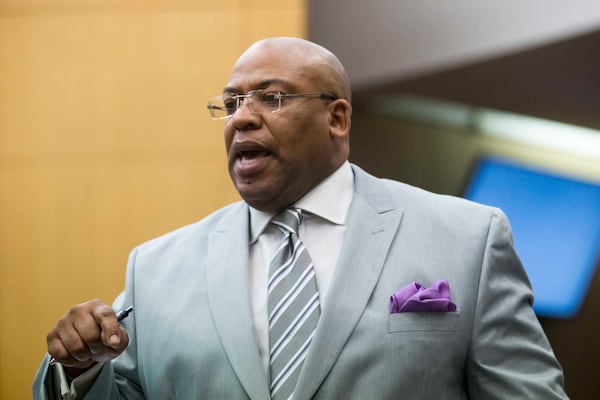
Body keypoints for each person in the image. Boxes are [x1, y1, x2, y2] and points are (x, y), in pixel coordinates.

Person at [34, 36, 568, 399]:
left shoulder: (469, 239)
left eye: (271, 97)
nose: (242, 116)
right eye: (232, 101)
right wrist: (79, 368)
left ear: (336, 117)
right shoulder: (154, 269)